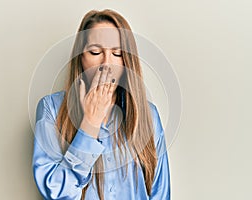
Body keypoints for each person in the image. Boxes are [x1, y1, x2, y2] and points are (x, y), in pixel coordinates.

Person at [32, 9, 170, 200]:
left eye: (117, 53)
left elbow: (160, 194)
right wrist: (89, 124)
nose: (106, 63)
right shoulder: (51, 109)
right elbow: (55, 192)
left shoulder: (149, 115)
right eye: (95, 52)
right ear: (80, 57)